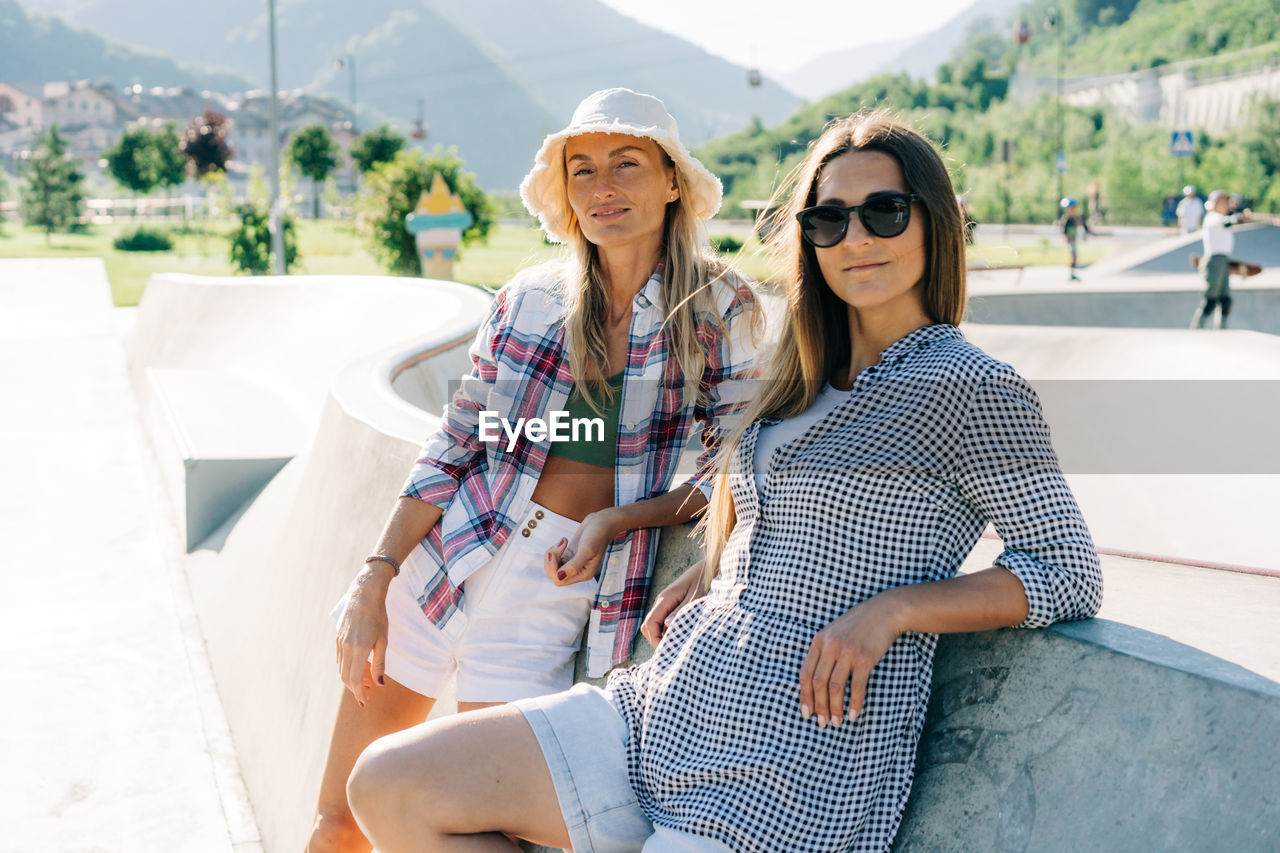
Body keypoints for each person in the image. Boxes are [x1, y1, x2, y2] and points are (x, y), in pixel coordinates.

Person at [343, 112, 1103, 853]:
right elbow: (770, 513)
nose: (857, 238)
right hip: (669, 704)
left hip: (792, 765)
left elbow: (1067, 571)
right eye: (829, 220)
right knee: (389, 785)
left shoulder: (971, 388)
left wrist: (893, 611)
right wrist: (713, 571)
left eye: (885, 211)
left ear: (933, 224)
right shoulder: (799, 377)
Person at [307, 88, 760, 853]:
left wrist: (621, 519)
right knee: (338, 824)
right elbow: (457, 444)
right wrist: (375, 576)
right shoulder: (527, 300)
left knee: (474, 829)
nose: (602, 188)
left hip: (549, 606)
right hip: (442, 569)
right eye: (582, 170)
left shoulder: (719, 307)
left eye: (627, 164)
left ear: (673, 180)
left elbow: (736, 472)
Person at [1192, 189, 1250, 329]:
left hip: (1223, 260)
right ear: (1214, 204)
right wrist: (1241, 217)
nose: (1225, 205)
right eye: (1222, 202)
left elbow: (1229, 220)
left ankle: (1222, 330)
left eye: (1226, 202)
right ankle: (1197, 328)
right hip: (1214, 261)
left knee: (1225, 300)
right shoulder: (1212, 217)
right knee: (1211, 298)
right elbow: (1228, 222)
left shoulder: (1220, 218)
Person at [1059, 197, 1090, 281]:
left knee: (1074, 255)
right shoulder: (1066, 219)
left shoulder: (1076, 218)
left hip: (1074, 238)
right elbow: (1063, 229)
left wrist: (1087, 231)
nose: (1072, 211)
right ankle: (1071, 273)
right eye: (1070, 209)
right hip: (1070, 239)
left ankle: (1073, 272)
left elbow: (1083, 225)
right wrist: (1065, 237)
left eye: (1073, 208)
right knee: (1071, 255)